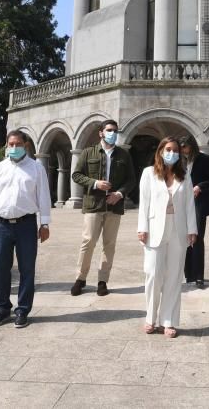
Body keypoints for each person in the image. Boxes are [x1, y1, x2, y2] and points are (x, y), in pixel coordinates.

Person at [0, 130, 52, 328]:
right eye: (10, 144)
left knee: (27, 269)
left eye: (18, 144)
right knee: (0, 269)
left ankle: (22, 310)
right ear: (6, 145)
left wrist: (44, 224)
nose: (14, 147)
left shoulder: (36, 169)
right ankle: (1, 308)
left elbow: (44, 196)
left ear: (26, 145)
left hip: (26, 225)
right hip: (2, 225)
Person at [137, 137, 198, 337]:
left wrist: (192, 229)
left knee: (174, 276)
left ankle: (168, 320)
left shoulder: (185, 174)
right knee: (153, 274)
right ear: (161, 151)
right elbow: (143, 202)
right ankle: (150, 318)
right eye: (169, 149)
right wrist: (142, 227)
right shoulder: (149, 173)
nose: (172, 153)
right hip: (154, 229)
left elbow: (189, 203)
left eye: (176, 150)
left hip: (178, 229)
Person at [70, 119, 136, 296]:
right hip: (93, 205)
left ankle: (102, 281)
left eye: (115, 130)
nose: (112, 133)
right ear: (101, 133)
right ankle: (80, 279)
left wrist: (119, 194)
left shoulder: (123, 155)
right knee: (88, 242)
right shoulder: (88, 152)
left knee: (109, 245)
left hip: (114, 206)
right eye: (109, 130)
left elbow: (131, 180)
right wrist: (95, 183)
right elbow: (76, 175)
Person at [180, 135, 209, 288]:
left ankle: (199, 276)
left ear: (191, 145)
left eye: (184, 146)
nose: (182, 150)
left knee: (197, 238)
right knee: (185, 239)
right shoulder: (178, 159)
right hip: (181, 203)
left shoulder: (204, 159)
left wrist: (200, 186)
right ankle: (189, 275)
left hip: (199, 203)